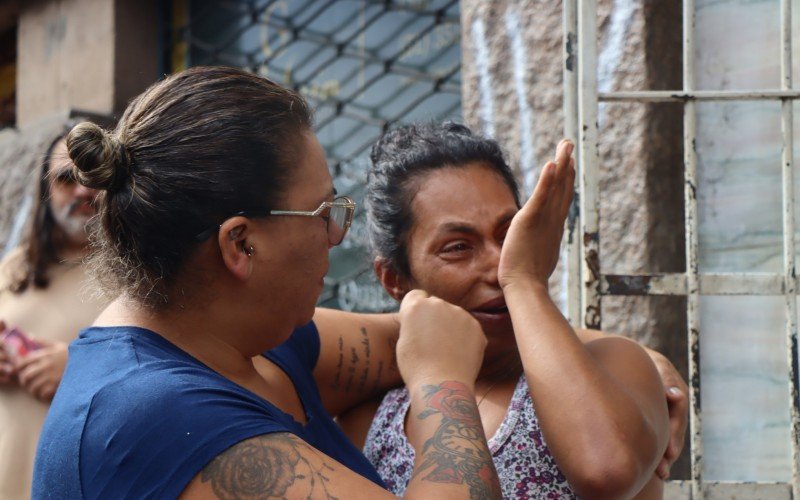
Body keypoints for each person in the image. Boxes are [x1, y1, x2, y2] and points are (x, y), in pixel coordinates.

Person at [32, 67, 504, 499]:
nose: (336, 237)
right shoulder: (152, 413)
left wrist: (520, 290)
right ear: (240, 244)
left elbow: (428, 335)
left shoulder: (247, 340)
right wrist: (442, 384)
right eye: (323, 214)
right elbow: (436, 354)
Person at [337, 122, 685, 499]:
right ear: (393, 278)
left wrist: (525, 282)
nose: (499, 264)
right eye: (457, 247)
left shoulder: (614, 365)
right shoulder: (373, 420)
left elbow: (605, 471)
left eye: (509, 234)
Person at [0, 131, 105, 500]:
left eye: (94, 177)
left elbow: (168, 371)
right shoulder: (14, 268)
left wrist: (77, 370)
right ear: (45, 189)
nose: (82, 191)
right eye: (66, 179)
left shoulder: (136, 278)